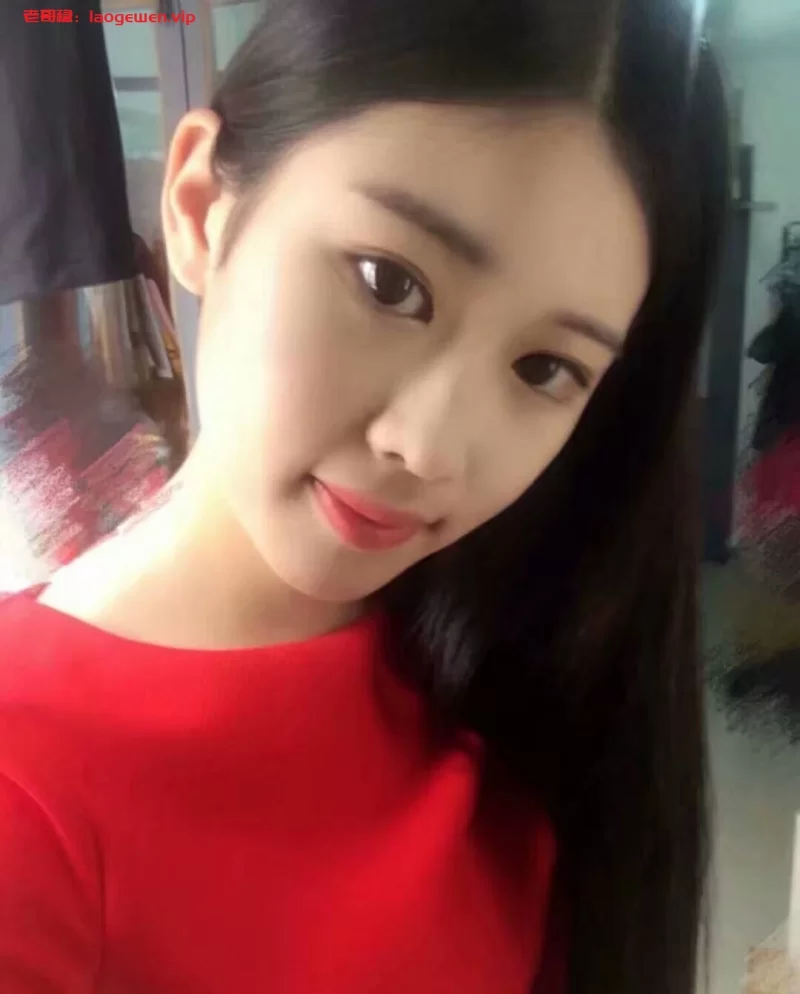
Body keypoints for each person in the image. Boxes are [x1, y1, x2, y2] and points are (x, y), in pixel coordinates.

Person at [0, 0, 728, 992]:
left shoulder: (530, 679)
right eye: (390, 284)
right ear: (201, 205)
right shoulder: (25, 782)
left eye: (544, 368)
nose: (428, 447)